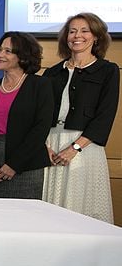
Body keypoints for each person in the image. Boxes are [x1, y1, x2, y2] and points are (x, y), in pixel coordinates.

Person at [42, 13, 119, 223]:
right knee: (50, 212)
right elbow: (39, 114)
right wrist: (44, 145)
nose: (77, 35)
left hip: (84, 147)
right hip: (50, 145)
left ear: (96, 37)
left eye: (85, 30)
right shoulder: (52, 73)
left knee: (81, 212)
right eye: (72, 30)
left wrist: (74, 148)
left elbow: (105, 116)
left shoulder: (107, 71)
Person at [0, 31, 54, 200]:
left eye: (7, 51)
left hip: (26, 165)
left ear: (23, 56)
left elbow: (41, 128)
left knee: (25, 220)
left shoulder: (40, 85)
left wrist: (14, 164)